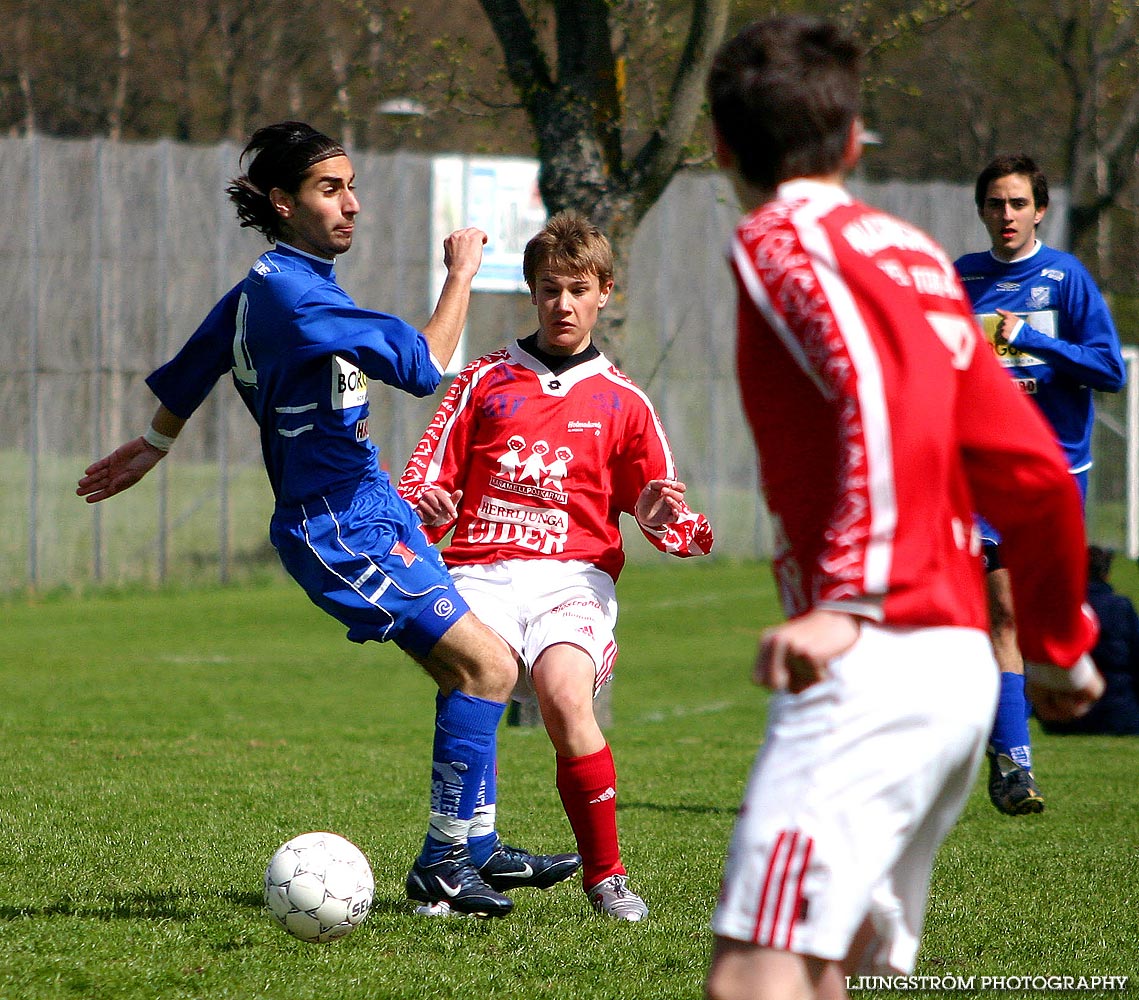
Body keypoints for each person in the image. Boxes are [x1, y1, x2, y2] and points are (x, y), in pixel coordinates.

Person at [76, 121, 582, 919]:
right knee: (488, 668)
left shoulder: (271, 284)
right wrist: (461, 273)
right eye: (329, 189)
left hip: (370, 505)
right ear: (282, 202)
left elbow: (200, 360)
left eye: (350, 186)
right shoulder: (288, 293)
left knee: (473, 669)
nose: (352, 204)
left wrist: (152, 442)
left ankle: (476, 848)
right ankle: (443, 866)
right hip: (336, 527)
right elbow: (423, 366)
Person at [705, 17, 1104, 999]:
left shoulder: (780, 241)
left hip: (871, 659)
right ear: (851, 143)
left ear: (717, 149)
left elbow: (869, 397)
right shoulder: (921, 260)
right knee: (813, 969)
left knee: (751, 975)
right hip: (954, 666)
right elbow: (1032, 466)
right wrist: (1056, 634)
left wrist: (847, 600)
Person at [397, 210, 714, 921]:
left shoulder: (624, 402)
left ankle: (606, 879)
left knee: (566, 697)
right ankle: (454, 859)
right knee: (479, 678)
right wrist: (430, 504)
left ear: (605, 292)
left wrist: (667, 523)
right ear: (531, 294)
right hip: (479, 573)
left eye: (577, 289)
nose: (562, 304)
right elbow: (418, 483)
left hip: (574, 580)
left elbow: (679, 524)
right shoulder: (481, 382)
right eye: (548, 290)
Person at [955, 154, 1126, 814]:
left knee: (1038, 620)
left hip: (1056, 475)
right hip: (983, 472)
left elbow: (1110, 371)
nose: (1006, 215)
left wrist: (1033, 341)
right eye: (995, 203)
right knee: (999, 613)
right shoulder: (959, 279)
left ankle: (1056, 691)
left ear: (1039, 210)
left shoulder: (1066, 279)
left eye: (1017, 203)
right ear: (981, 210)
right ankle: (1012, 767)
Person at [1040, 546, 1139, 736]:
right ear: (1106, 573)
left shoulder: (1058, 607)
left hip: (1064, 716)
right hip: (1118, 714)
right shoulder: (1120, 607)